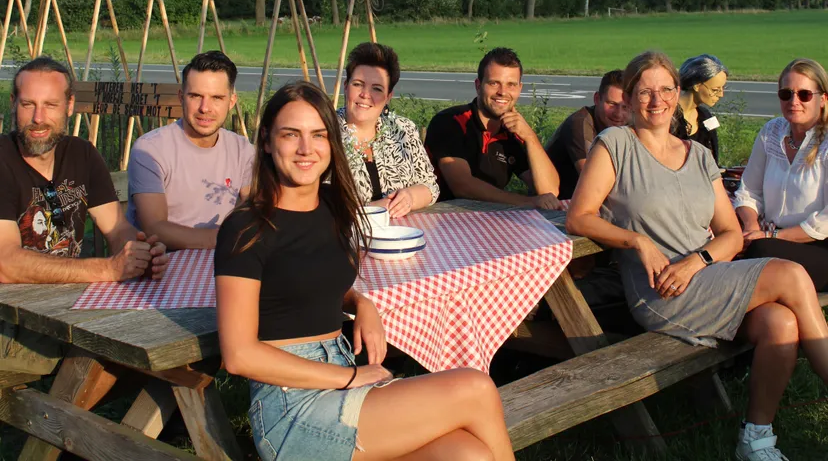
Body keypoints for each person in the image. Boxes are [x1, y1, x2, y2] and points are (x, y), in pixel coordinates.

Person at [214, 81, 514, 461]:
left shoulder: (332, 206)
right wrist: (349, 377)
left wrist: (359, 300)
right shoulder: (247, 227)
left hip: (342, 381)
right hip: (290, 407)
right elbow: (239, 355)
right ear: (268, 141)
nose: (306, 149)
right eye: (291, 135)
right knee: (475, 388)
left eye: (318, 135)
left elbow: (307, 279)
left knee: (469, 456)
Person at [566, 51, 828, 461]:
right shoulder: (615, 144)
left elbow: (729, 234)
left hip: (705, 275)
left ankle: (755, 439)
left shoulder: (698, 154)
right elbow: (579, 218)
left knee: (780, 321)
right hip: (662, 289)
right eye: (645, 91)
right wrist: (638, 241)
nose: (657, 100)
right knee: (791, 275)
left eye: (666, 89)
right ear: (631, 97)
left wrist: (698, 261)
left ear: (677, 92)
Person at [0, 57, 169, 372]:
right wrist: (107, 269)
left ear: (69, 105)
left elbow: (118, 229)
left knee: (158, 347)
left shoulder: (82, 154)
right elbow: (6, 264)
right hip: (11, 321)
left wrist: (141, 252)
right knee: (119, 359)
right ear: (13, 104)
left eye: (50, 105)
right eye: (28, 105)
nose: (38, 118)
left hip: (71, 310)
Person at [127, 51, 255, 250]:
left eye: (217, 98)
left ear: (231, 101)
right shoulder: (150, 150)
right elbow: (154, 228)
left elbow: (257, 208)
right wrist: (225, 237)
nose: (205, 108)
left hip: (224, 262)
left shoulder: (243, 150)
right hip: (163, 267)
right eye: (195, 96)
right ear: (181, 97)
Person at [424, 47, 561, 208]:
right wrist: (527, 202)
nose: (502, 92)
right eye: (494, 83)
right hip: (441, 218)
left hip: (491, 219)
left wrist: (531, 138)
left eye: (511, 85)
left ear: (519, 89)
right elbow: (462, 186)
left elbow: (550, 190)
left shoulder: (514, 132)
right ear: (478, 85)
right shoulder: (451, 121)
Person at [735, 58, 828, 291]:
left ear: (823, 99)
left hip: (818, 245)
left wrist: (771, 236)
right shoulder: (772, 132)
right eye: (786, 94)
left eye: (804, 94)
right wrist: (750, 227)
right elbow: (748, 190)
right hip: (769, 237)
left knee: (761, 253)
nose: (794, 101)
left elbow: (826, 222)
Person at [338, 42, 438, 219]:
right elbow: (313, 203)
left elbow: (430, 186)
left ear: (388, 96)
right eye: (358, 84)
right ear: (346, 86)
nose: (365, 95)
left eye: (377, 88)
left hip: (399, 239)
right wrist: (370, 210)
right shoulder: (324, 132)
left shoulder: (403, 129)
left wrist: (409, 197)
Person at [545, 69, 628, 200]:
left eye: (625, 107)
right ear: (596, 99)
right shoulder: (579, 124)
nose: (618, 113)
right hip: (556, 204)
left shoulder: (630, 124)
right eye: (612, 104)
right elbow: (593, 180)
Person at [673, 54, 729, 163]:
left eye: (723, 88)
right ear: (696, 86)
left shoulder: (706, 116)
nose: (721, 94)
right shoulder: (667, 116)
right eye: (715, 89)